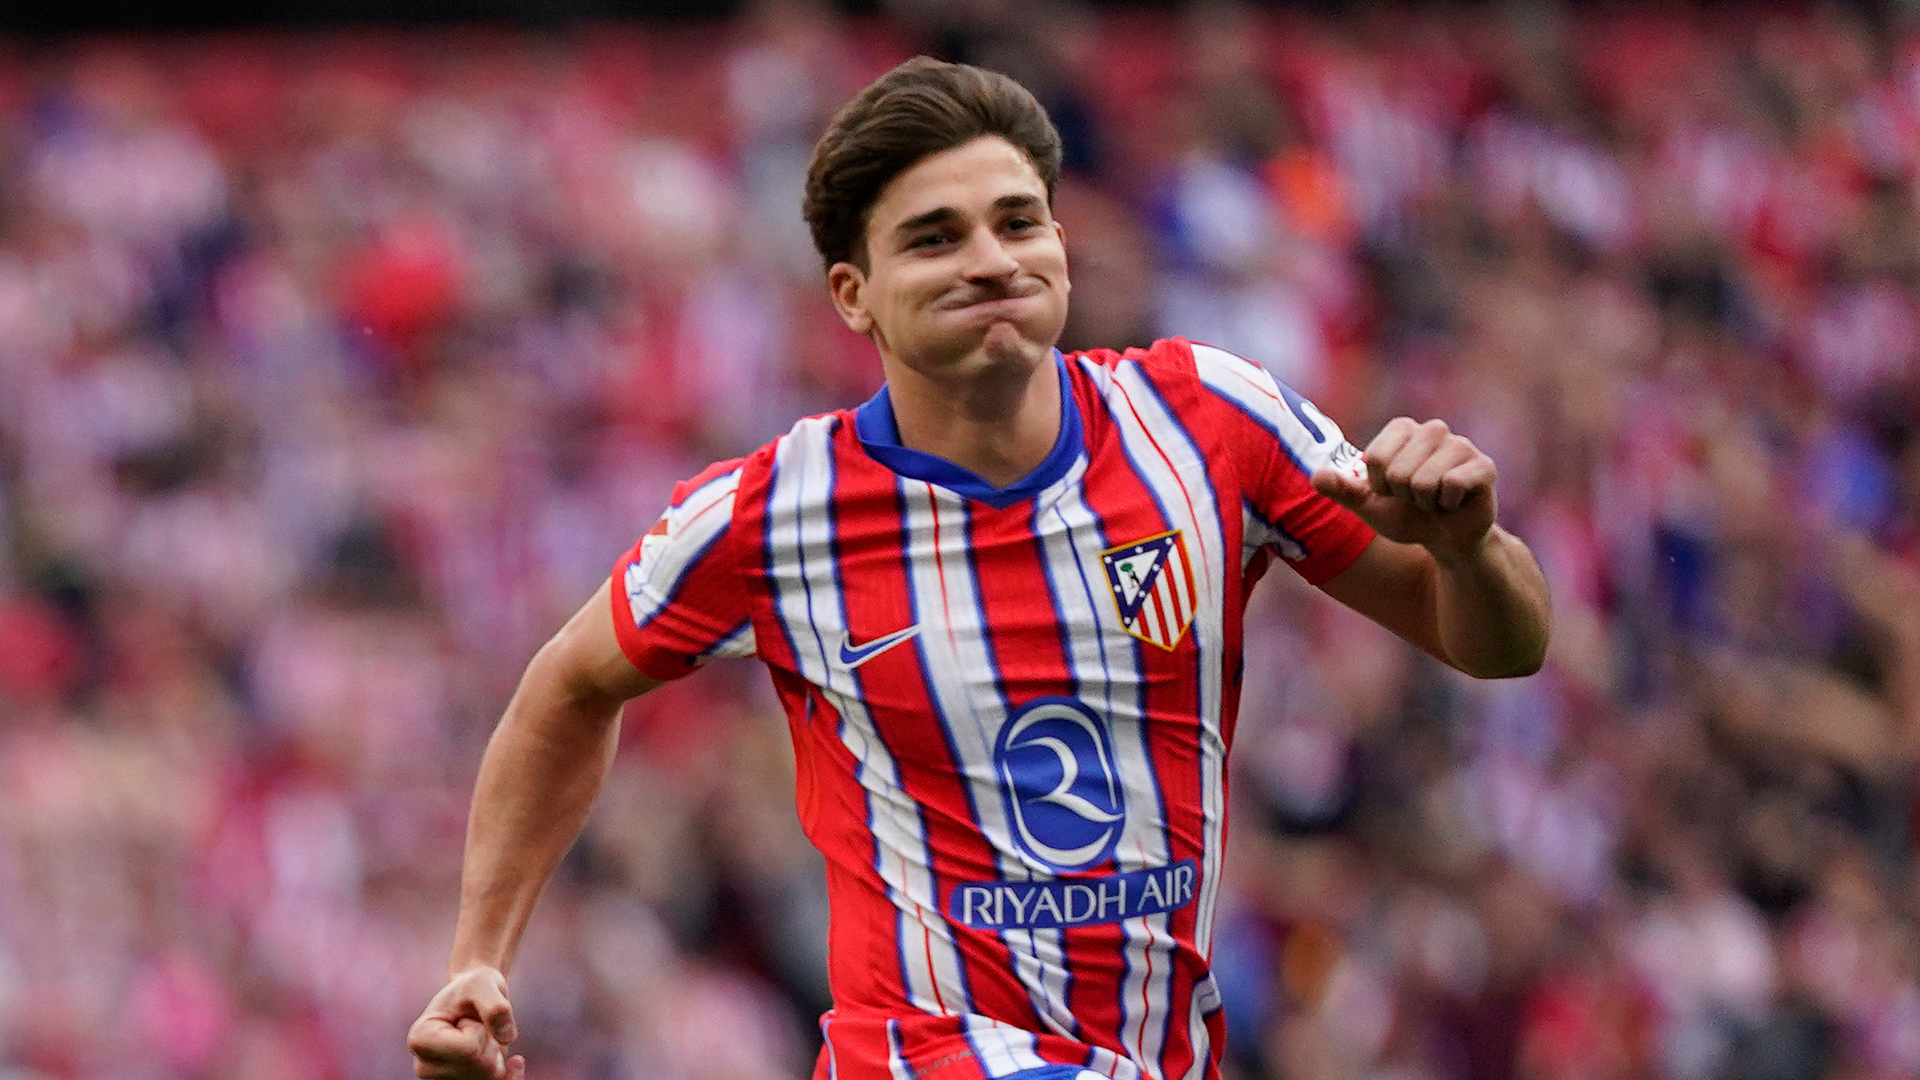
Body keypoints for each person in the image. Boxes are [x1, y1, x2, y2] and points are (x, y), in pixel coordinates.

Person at [408, 57, 1549, 1080]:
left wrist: (1469, 549)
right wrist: (479, 961)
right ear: (854, 296)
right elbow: (567, 686)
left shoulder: (1209, 419)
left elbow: (1501, 647)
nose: (993, 261)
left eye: (1019, 221)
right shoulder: (775, 511)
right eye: (935, 237)